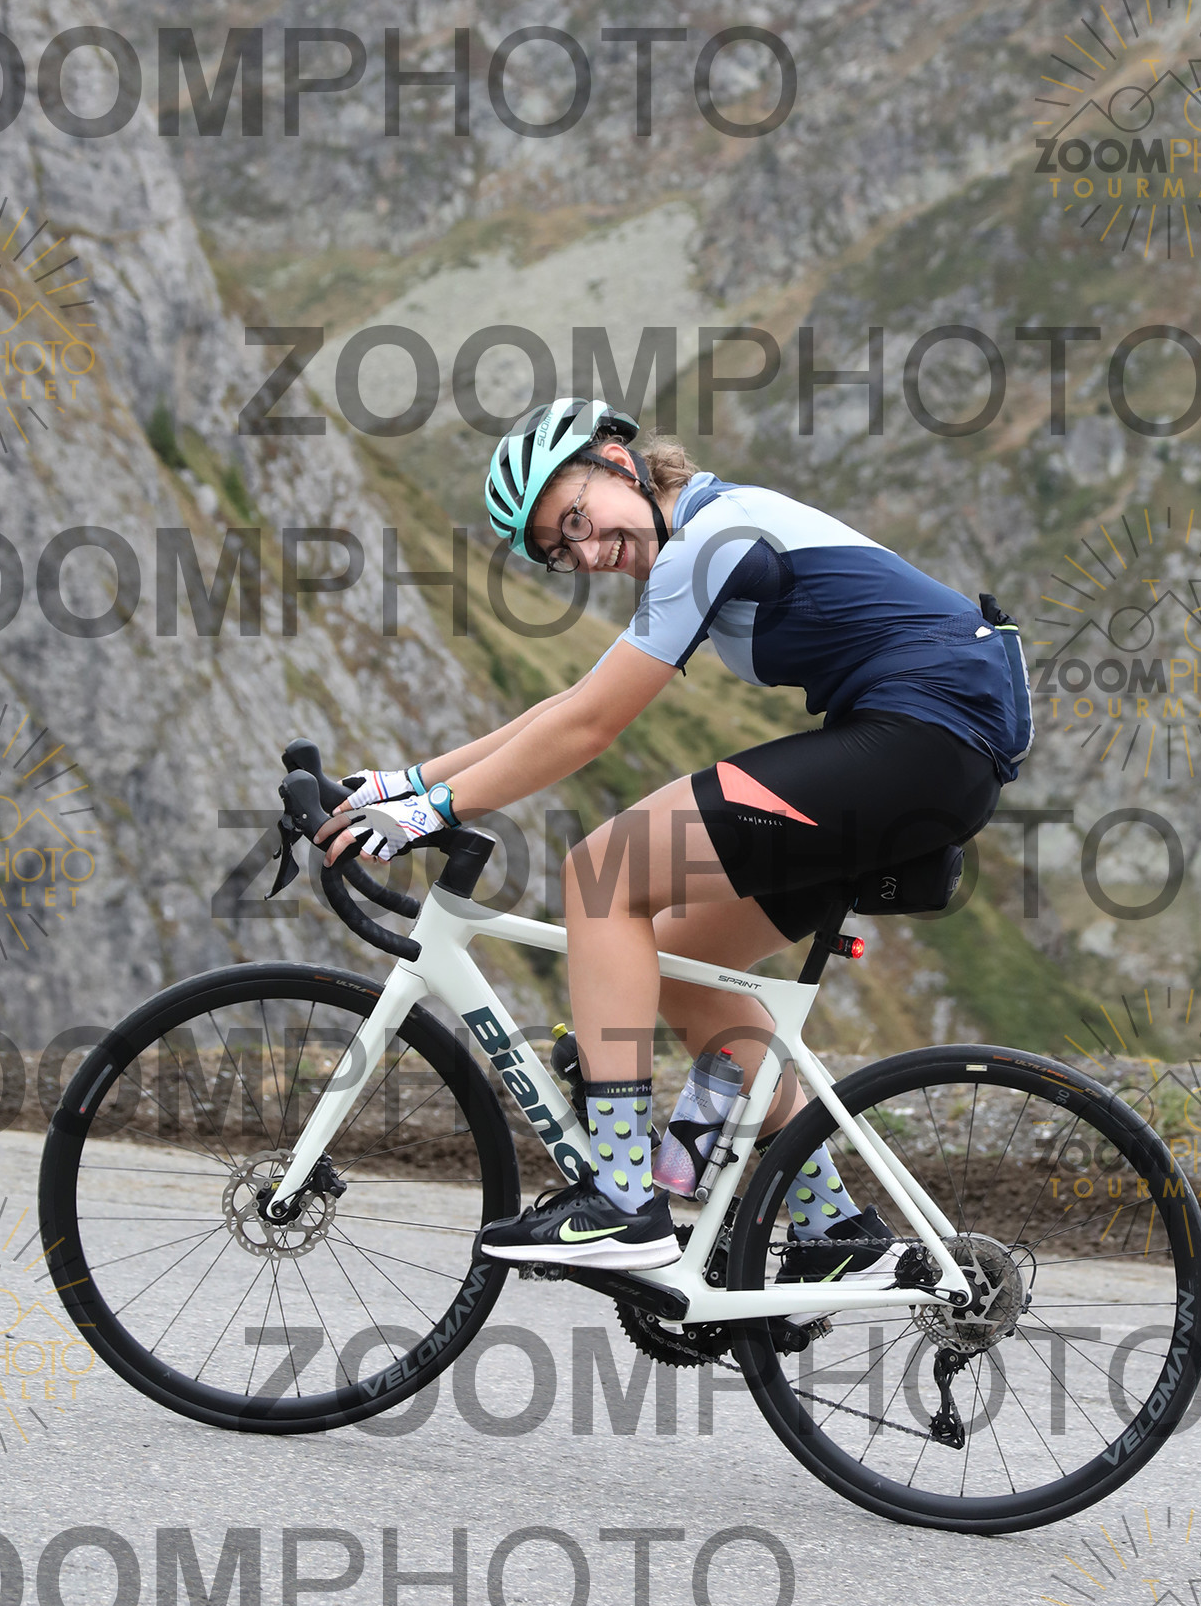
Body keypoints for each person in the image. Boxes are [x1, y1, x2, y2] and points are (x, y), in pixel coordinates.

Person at [315, 397, 1030, 1280]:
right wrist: (402, 784)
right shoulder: (697, 542)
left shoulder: (713, 537)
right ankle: (835, 1231)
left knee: (603, 874)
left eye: (576, 520)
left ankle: (623, 1201)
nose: (585, 555)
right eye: (560, 551)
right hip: (926, 752)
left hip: (925, 738)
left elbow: (589, 727)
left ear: (617, 461)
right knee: (688, 968)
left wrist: (433, 812)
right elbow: (568, 704)